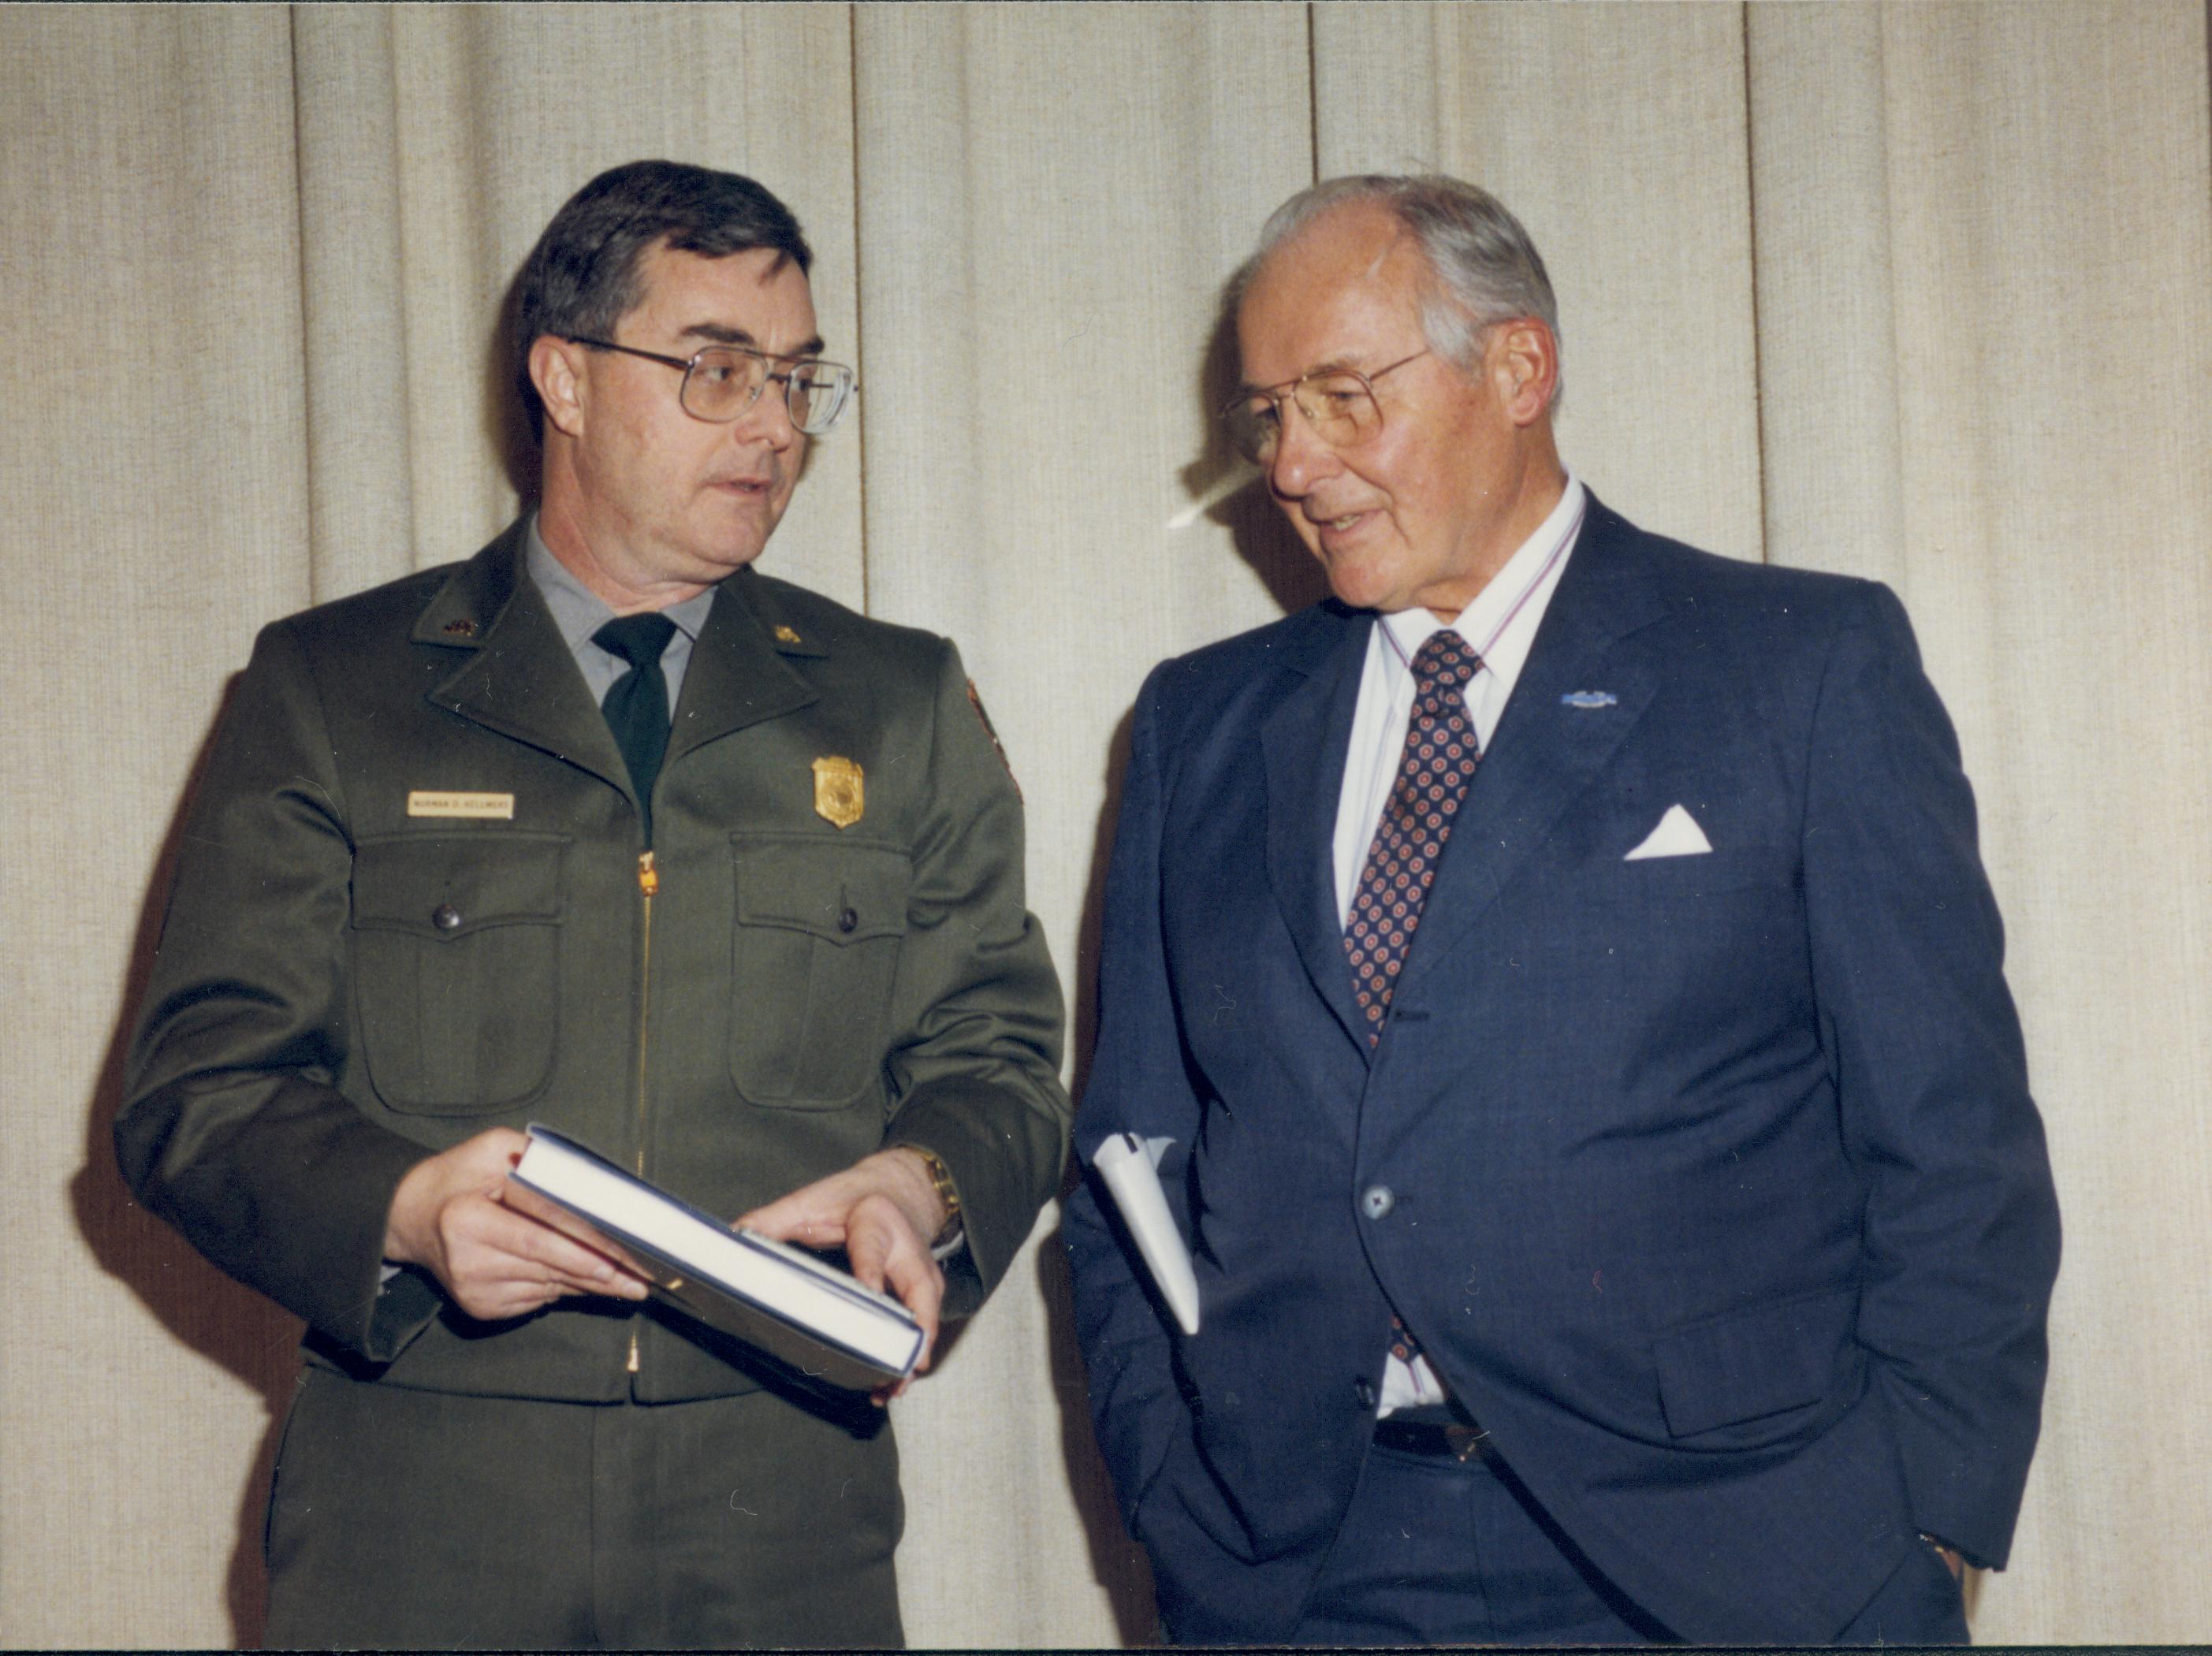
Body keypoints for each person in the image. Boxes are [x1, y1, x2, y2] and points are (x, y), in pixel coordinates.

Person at [1064, 173, 2059, 1647]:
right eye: (1270, 413)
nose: (1292, 464)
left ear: (1517, 368)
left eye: (1343, 397)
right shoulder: (1200, 727)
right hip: (1305, 1565)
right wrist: (1176, 1493)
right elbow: (1126, 1162)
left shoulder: (1799, 666)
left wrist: (1924, 1521)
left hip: (1737, 1563)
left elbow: (1951, 1144)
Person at [117, 159, 1069, 1649]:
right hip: (423, 1496)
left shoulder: (898, 704)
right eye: (716, 369)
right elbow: (197, 1090)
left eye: (798, 377)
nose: (772, 424)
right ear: (562, 376)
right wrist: (403, 1209)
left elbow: (999, 1060)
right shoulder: (336, 690)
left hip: (775, 1501)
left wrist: (921, 1184)